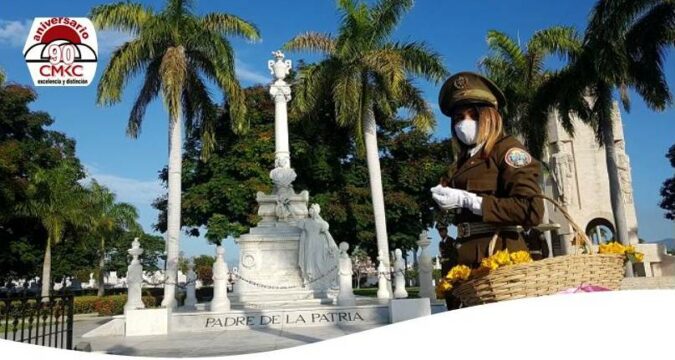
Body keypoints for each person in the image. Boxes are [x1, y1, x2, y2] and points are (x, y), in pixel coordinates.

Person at [431, 71, 544, 269]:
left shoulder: (507, 149)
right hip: (465, 258)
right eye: (458, 118)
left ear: (490, 117)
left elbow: (531, 210)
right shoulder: (462, 162)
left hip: (500, 258)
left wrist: (468, 200)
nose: (464, 123)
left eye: (474, 115)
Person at [436, 223, 462, 310]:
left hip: (452, 269)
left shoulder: (452, 241)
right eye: (439, 231)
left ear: (446, 231)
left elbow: (456, 255)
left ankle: (455, 307)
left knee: (453, 291)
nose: (441, 233)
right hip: (445, 270)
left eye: (442, 231)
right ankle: (449, 307)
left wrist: (446, 259)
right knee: (446, 290)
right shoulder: (441, 243)